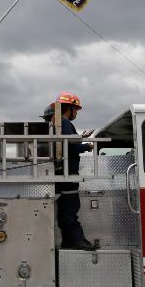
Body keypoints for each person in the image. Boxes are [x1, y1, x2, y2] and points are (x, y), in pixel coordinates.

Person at [53, 92, 96, 251]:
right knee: (70, 209)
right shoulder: (65, 124)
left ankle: (69, 241)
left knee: (66, 210)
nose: (77, 112)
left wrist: (81, 138)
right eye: (76, 109)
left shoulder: (60, 123)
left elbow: (68, 143)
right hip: (68, 174)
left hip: (64, 173)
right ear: (69, 108)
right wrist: (87, 146)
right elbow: (72, 146)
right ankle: (75, 241)